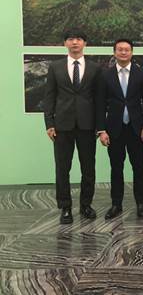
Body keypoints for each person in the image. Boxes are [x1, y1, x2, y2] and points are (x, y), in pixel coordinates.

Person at [43, 29, 102, 224]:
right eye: (70, 39)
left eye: (78, 39)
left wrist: (100, 126)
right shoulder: (55, 67)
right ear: (65, 43)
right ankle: (65, 207)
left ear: (85, 43)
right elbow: (49, 96)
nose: (75, 42)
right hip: (62, 125)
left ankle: (86, 205)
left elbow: (99, 99)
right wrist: (49, 123)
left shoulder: (95, 67)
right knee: (62, 168)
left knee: (88, 168)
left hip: (87, 125)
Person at [96, 39, 143, 219]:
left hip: (136, 128)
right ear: (114, 53)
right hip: (114, 129)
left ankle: (141, 203)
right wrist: (101, 130)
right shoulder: (105, 75)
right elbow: (99, 105)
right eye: (120, 49)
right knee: (116, 168)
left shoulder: (142, 73)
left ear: (132, 52)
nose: (123, 52)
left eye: (126, 49)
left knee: (139, 167)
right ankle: (116, 204)